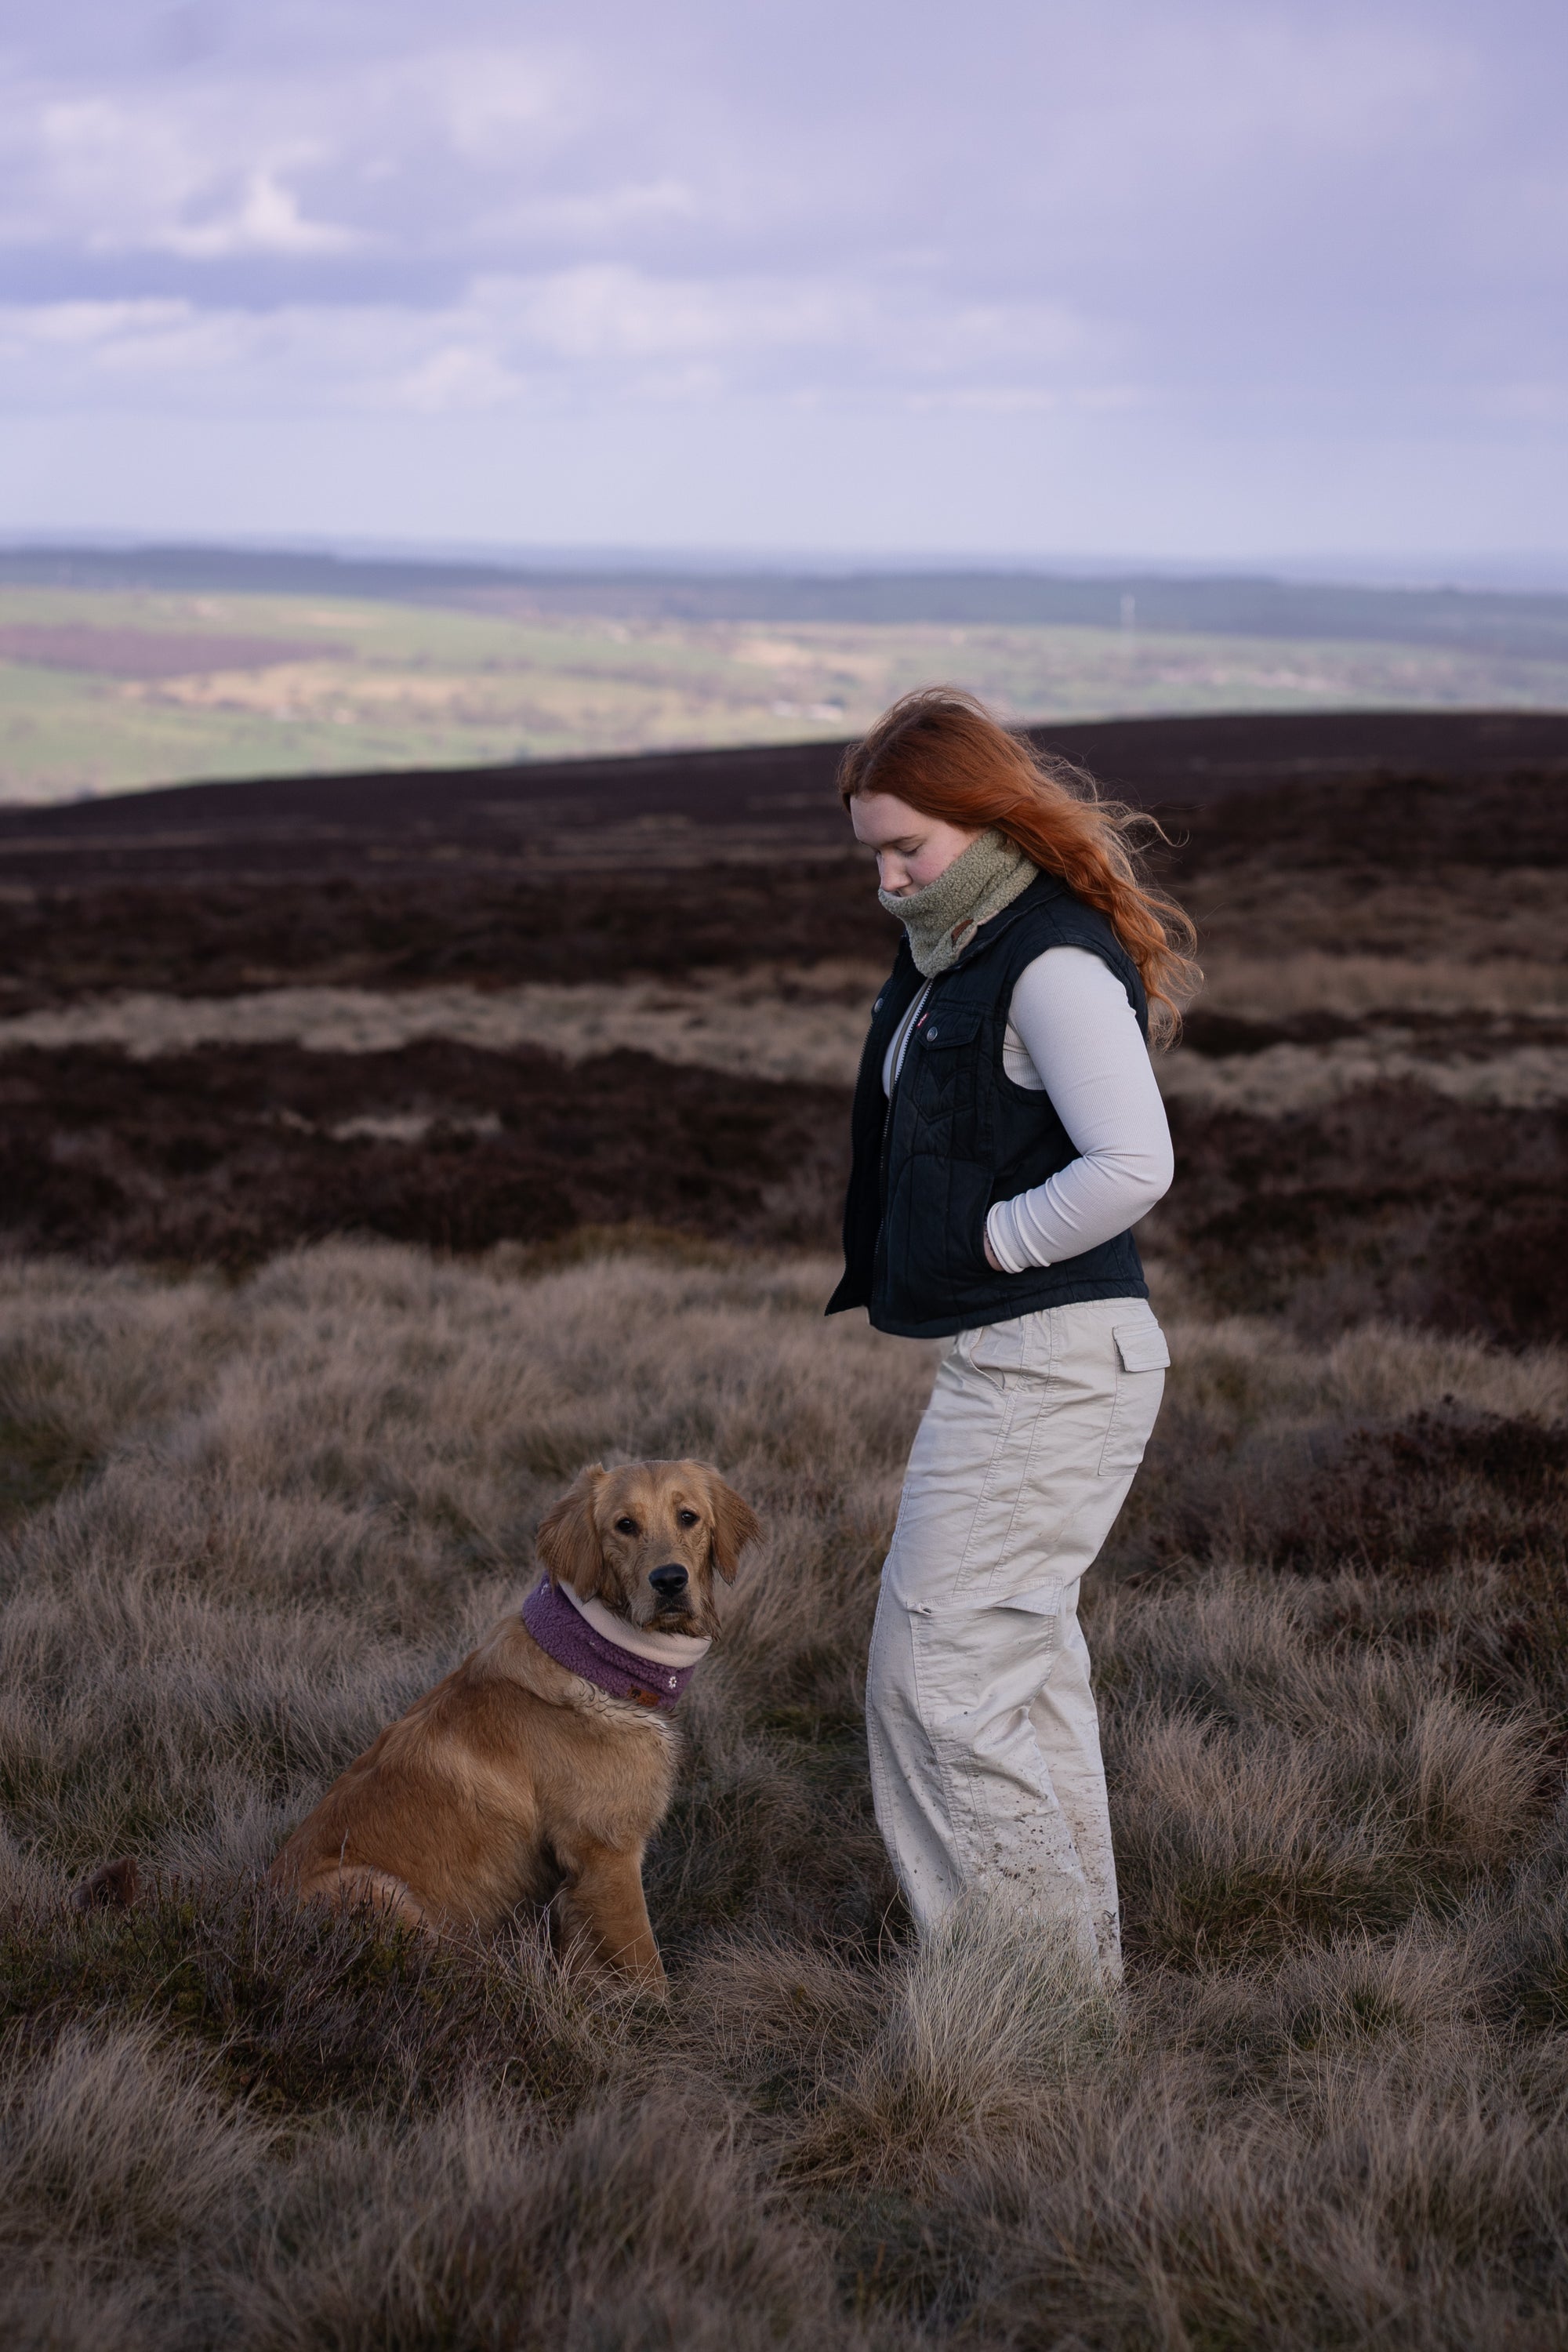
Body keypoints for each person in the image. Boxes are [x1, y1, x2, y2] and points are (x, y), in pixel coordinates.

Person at [827, 688, 1200, 1980]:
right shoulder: (957, 949)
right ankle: (1072, 1995)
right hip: (1022, 1359)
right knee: (1017, 1673)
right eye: (871, 851)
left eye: (906, 849)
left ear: (982, 823)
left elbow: (1133, 1162)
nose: (885, 879)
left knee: (937, 1678)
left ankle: (1022, 2005)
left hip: (1052, 1359)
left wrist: (996, 1242)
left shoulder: (1043, 959)